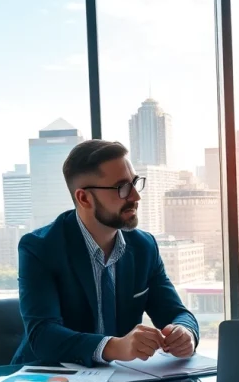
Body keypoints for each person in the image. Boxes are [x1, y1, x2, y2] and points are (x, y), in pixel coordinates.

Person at [12, 140, 199, 366]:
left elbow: (176, 312)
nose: (135, 197)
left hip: (121, 380)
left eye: (135, 183)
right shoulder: (40, 248)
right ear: (84, 198)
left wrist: (185, 332)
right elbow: (43, 336)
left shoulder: (144, 246)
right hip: (50, 380)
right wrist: (114, 346)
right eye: (122, 188)